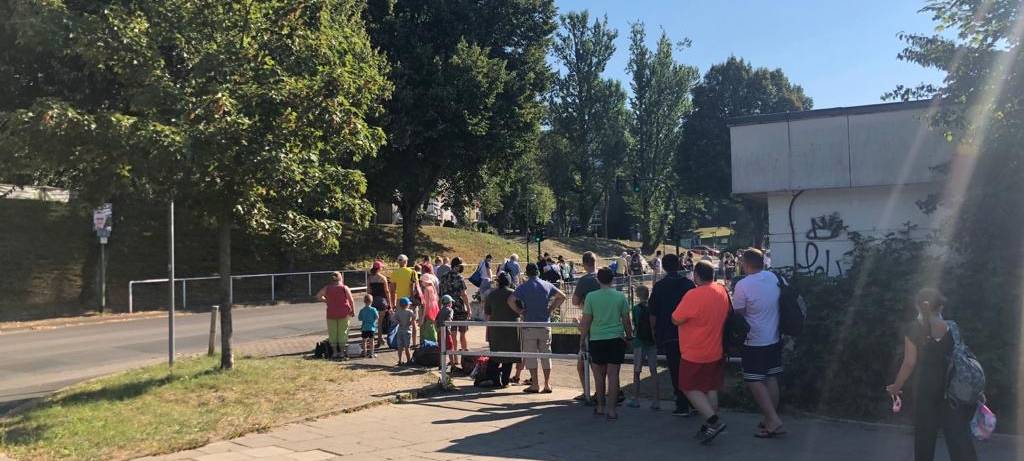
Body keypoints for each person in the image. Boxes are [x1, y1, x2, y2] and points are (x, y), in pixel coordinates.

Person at [887, 289, 978, 461]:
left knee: (924, 438)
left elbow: (909, 363)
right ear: (941, 306)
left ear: (917, 306)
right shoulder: (952, 327)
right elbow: (963, 359)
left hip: (925, 389)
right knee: (958, 438)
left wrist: (896, 387)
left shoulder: (913, 329)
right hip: (953, 389)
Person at [672, 260, 731, 444]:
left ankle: (714, 421)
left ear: (696, 275)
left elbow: (676, 319)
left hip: (694, 350)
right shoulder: (721, 290)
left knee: (688, 387)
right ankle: (710, 423)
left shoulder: (693, 295)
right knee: (710, 387)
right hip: (716, 348)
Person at [733, 248, 785, 438]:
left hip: (753, 339)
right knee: (771, 378)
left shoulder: (743, 285)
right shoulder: (773, 278)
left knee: (754, 380)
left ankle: (773, 420)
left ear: (746, 264)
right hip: (774, 336)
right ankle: (770, 418)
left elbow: (739, 312)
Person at [648, 253, 697, 416]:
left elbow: (653, 313)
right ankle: (696, 402)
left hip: (668, 333)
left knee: (675, 369)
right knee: (692, 368)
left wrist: (653, 331)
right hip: (689, 332)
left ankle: (681, 403)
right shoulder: (688, 284)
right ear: (679, 265)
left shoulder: (659, 286)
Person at [581, 268, 632, 420]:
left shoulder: (591, 297)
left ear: (598, 280)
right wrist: (629, 337)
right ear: (613, 279)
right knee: (613, 375)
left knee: (599, 375)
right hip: (616, 338)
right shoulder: (620, 296)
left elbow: (586, 321)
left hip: (597, 339)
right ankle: (612, 410)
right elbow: (626, 321)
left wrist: (582, 339)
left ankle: (600, 406)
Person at [508, 263, 566, 393]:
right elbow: (562, 296)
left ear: (527, 273)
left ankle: (535, 384)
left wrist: (520, 311)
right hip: (545, 324)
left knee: (531, 355)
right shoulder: (547, 285)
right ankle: (547, 384)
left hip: (529, 324)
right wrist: (551, 309)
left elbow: (510, 300)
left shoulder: (523, 287)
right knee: (546, 354)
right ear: (538, 272)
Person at [571, 251, 602, 401]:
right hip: (605, 324)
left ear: (584, 263)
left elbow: (574, 302)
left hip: (589, 323)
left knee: (583, 364)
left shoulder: (584, 280)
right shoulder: (604, 278)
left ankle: (588, 392)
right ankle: (599, 392)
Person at [484, 273, 520, 387]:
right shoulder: (514, 293)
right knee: (509, 355)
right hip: (512, 329)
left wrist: (488, 330)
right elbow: (521, 309)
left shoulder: (491, 295)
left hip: (495, 329)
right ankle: (505, 381)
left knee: (495, 354)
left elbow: (487, 315)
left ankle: (495, 380)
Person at [628, 285, 659, 409]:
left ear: (637, 295)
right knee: (654, 371)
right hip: (651, 341)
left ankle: (636, 399)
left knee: (637, 372)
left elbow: (635, 323)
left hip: (639, 342)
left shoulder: (636, 309)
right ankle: (656, 401)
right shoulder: (652, 308)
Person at [316, 271, 355, 360]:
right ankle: (341, 352)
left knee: (333, 333)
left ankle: (334, 352)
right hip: (344, 313)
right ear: (341, 278)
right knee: (343, 332)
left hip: (331, 313)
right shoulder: (344, 288)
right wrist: (353, 310)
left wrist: (326, 300)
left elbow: (318, 296)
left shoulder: (327, 288)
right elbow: (351, 300)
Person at [440, 257, 472, 351]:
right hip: (459, 308)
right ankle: (465, 356)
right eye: (461, 266)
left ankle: (454, 358)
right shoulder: (459, 277)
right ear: (457, 266)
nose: (462, 268)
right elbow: (464, 294)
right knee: (463, 332)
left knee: (452, 333)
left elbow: (440, 294)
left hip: (447, 308)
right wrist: (469, 308)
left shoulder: (443, 277)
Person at [367, 261, 392, 348]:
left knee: (372, 322)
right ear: (379, 268)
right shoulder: (383, 278)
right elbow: (387, 291)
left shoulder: (369, 278)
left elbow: (369, 291)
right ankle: (379, 339)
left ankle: (371, 341)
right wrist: (390, 303)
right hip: (382, 301)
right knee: (380, 322)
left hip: (373, 301)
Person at [418, 264, 440, 344]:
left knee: (425, 326)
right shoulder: (434, 280)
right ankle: (434, 342)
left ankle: (424, 343)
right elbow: (437, 293)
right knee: (433, 326)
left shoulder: (425, 285)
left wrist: (422, 318)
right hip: (434, 305)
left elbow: (425, 303)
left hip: (427, 307)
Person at [437, 295, 457, 370]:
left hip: (439, 331)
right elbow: (449, 320)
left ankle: (441, 364)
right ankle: (452, 365)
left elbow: (436, 320)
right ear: (449, 303)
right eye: (451, 302)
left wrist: (438, 329)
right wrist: (448, 330)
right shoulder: (450, 310)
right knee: (450, 348)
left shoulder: (440, 310)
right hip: (446, 331)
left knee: (441, 348)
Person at [394, 297, 416, 366]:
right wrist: (411, 321)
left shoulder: (398, 312)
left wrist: (398, 322)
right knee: (407, 347)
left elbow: (393, 318)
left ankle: (400, 360)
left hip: (400, 330)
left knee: (400, 347)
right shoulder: (409, 311)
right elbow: (414, 317)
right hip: (407, 331)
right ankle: (408, 360)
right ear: (407, 305)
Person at [358, 294, 379, 358]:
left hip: (364, 327)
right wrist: (373, 319)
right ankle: (371, 353)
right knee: (371, 341)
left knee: (364, 341)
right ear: (372, 301)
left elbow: (359, 318)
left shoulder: (362, 310)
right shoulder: (374, 309)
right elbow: (377, 317)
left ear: (364, 301)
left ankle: (364, 352)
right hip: (371, 328)